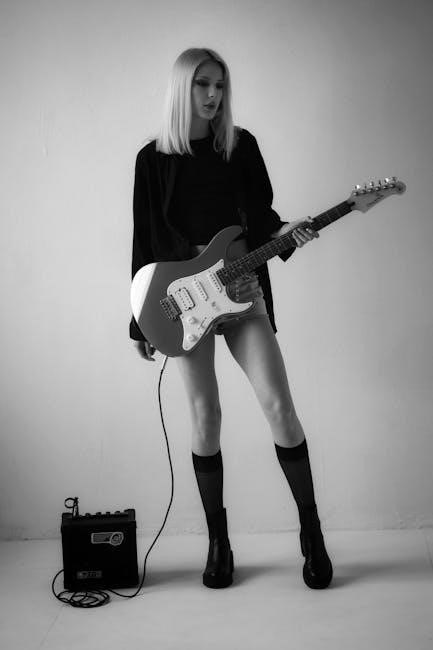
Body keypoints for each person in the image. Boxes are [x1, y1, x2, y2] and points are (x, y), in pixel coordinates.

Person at [130, 47, 333, 590]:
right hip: (184, 304)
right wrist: (139, 322)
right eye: (202, 84)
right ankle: (218, 543)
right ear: (183, 88)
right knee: (206, 416)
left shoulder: (241, 147)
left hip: (242, 291)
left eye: (220, 85)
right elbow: (144, 243)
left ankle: (312, 533)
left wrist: (288, 232)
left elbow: (262, 218)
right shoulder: (151, 161)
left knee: (279, 406)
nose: (214, 95)